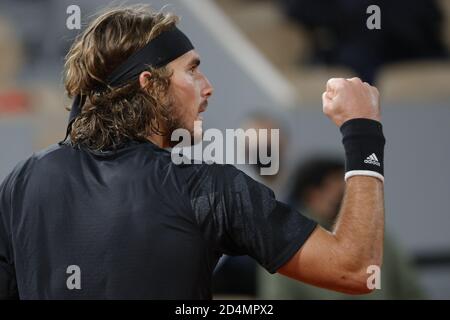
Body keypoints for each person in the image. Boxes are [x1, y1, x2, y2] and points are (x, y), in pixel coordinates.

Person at [0, 5, 385, 299]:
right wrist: (362, 130)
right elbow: (355, 269)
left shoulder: (23, 180)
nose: (208, 87)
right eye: (193, 70)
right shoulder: (203, 184)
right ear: (150, 86)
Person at [258, 157, 425, 299]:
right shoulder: (286, 243)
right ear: (313, 196)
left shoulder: (378, 238)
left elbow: (412, 292)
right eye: (341, 194)